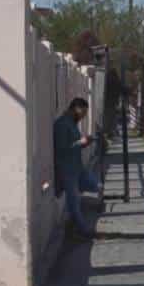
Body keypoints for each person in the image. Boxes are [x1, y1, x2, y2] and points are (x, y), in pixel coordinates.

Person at [53, 96, 98, 238]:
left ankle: (77, 225)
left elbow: (76, 144)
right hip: (67, 170)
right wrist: (81, 143)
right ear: (76, 109)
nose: (83, 117)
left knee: (94, 186)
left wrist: (86, 141)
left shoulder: (73, 123)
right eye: (83, 113)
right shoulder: (61, 124)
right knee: (73, 201)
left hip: (77, 167)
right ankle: (82, 230)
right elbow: (61, 149)